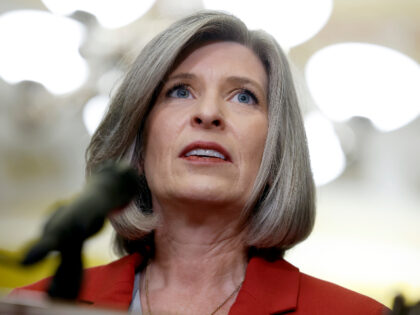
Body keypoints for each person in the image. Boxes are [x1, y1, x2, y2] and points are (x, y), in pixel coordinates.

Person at [12, 11, 388, 314]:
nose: (208, 113)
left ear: (275, 156)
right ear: (139, 149)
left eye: (243, 97)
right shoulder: (32, 306)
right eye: (180, 91)